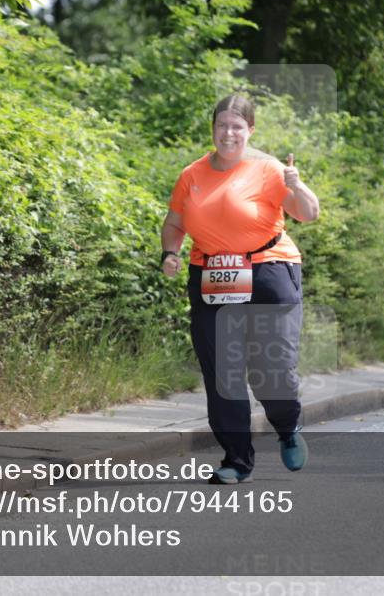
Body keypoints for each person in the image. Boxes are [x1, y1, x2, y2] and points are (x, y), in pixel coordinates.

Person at [160, 94, 320, 484]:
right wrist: (170, 253)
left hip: (268, 271)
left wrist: (296, 186)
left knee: (272, 371)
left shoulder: (269, 170)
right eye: (221, 125)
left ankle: (287, 427)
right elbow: (174, 222)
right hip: (211, 276)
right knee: (222, 373)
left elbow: (308, 213)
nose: (228, 133)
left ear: (250, 130)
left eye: (236, 126)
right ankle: (236, 460)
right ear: (212, 128)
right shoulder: (192, 174)